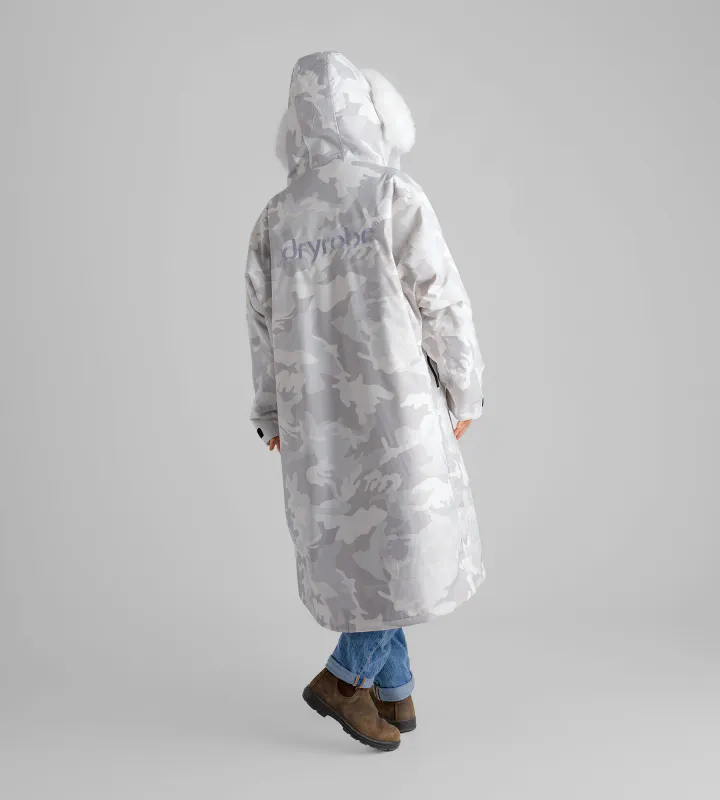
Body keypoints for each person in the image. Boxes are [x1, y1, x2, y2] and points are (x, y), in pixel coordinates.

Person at [245, 51, 485, 752]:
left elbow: (260, 327)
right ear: (370, 113)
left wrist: (270, 413)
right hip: (395, 408)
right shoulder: (390, 194)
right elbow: (442, 301)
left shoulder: (276, 218)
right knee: (406, 544)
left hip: (315, 418)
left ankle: (395, 690)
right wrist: (465, 388)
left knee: (366, 549)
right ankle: (344, 680)